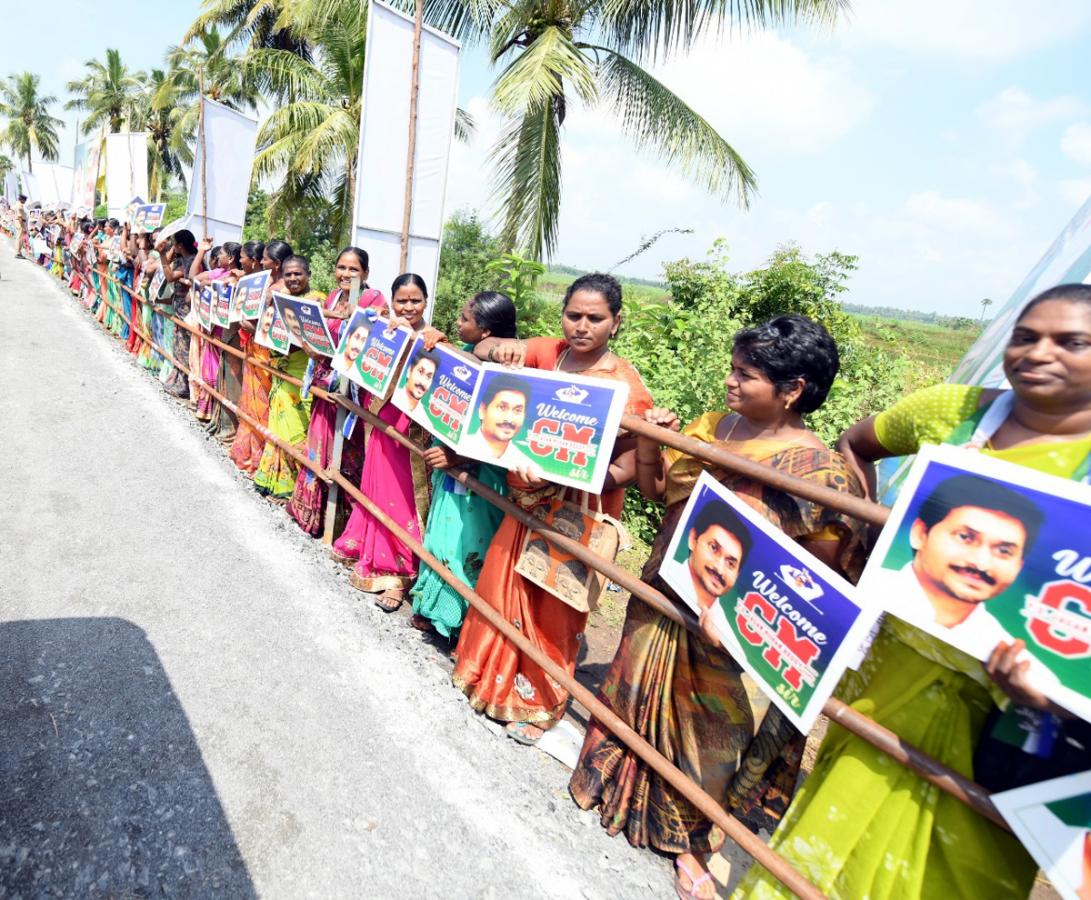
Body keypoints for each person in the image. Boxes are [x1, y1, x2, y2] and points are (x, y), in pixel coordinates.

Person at [736, 285, 1091, 900]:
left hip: (1014, 724)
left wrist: (1052, 694)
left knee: (957, 869)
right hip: (889, 675)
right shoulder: (955, 411)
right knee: (833, 820)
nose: (1041, 353)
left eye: (1072, 342)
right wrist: (873, 533)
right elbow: (856, 443)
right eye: (1027, 336)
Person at [568, 315, 866, 900]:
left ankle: (692, 843)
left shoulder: (822, 475)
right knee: (633, 692)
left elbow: (818, 578)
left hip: (731, 630)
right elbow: (657, 494)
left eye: (745, 374)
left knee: (714, 733)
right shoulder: (713, 427)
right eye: (732, 368)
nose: (730, 382)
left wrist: (747, 614)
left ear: (793, 390)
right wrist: (654, 440)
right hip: (666, 593)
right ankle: (616, 784)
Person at [453, 273, 654, 743]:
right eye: (574, 315)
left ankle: (538, 700)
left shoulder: (624, 386)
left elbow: (628, 468)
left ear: (616, 322)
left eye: (595, 318)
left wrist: (567, 473)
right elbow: (485, 350)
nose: (582, 326)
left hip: (575, 508)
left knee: (555, 608)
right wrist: (498, 351)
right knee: (503, 584)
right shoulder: (550, 352)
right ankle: (488, 676)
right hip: (525, 497)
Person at [410, 292, 519, 638]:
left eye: (464, 320)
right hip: (451, 462)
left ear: (485, 331)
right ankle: (431, 606)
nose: (457, 324)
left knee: (467, 542)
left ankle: (460, 623)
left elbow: (508, 434)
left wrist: (461, 458)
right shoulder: (470, 355)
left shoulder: (508, 370)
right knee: (442, 533)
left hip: (483, 474)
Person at [331, 273, 442, 610]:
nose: (408, 307)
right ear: (392, 301)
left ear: (426, 301)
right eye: (401, 301)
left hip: (409, 430)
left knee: (401, 495)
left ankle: (396, 572)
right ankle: (367, 544)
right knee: (375, 485)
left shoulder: (434, 339)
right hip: (379, 419)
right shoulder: (386, 328)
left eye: (415, 301)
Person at [875, 474, 1043, 658]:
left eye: (1003, 551)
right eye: (965, 537)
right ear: (920, 533)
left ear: (1019, 566)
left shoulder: (1023, 672)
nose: (981, 563)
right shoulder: (860, 588)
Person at [286, 246, 386, 535]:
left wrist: (365, 314)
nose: (346, 274)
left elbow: (378, 336)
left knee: (346, 454)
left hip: (351, 390)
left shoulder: (373, 298)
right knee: (320, 445)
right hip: (324, 381)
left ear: (365, 273)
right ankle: (310, 512)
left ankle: (342, 523)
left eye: (353, 269)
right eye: (341, 267)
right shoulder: (332, 297)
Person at [253, 254, 325, 501]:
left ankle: (296, 486)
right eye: (288, 274)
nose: (293, 278)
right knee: (278, 423)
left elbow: (310, 340)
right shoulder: (281, 300)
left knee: (297, 427)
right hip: (281, 369)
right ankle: (274, 480)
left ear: (308, 276)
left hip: (301, 373)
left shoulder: (316, 301)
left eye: (298, 274)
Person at [230, 240, 287, 476]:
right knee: (251, 400)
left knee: (264, 401)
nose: (261, 262)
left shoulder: (284, 289)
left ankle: (264, 455)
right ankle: (251, 450)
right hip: (253, 346)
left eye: (266, 259)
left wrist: (254, 329)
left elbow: (277, 326)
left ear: (277, 263)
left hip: (268, 351)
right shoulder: (265, 282)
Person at [658, 497, 754, 621]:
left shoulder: (724, 634)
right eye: (713, 548)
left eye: (730, 563)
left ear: (737, 574)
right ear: (693, 539)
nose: (719, 569)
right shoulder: (658, 580)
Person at [456, 373, 546, 477]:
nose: (509, 419)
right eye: (502, 407)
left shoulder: (529, 467)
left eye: (517, 410)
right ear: (483, 410)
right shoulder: (457, 445)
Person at [159, 230, 199, 400]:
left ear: (180, 245)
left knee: (184, 348)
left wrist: (161, 253)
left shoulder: (190, 262)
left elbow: (169, 276)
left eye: (174, 243)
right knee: (178, 346)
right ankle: (177, 381)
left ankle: (184, 387)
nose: (172, 247)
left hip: (186, 312)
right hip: (179, 309)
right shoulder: (182, 259)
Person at [392, 345, 439, 424]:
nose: (422, 382)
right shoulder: (389, 396)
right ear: (409, 370)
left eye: (429, 376)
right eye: (420, 371)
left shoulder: (426, 422)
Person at [13, 194, 28, 259]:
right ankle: (18, 253)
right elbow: (20, 217)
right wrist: (23, 227)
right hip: (20, 222)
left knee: (19, 238)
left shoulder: (17, 204)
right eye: (25, 200)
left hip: (18, 222)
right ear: (22, 199)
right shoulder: (19, 206)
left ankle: (18, 252)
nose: (25, 202)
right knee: (19, 238)